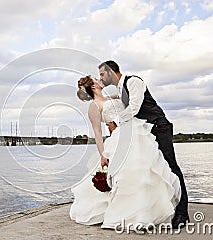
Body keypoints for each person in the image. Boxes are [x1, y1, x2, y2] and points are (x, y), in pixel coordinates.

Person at [70, 76, 181, 230]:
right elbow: (97, 132)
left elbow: (131, 102)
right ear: (93, 86)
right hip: (119, 138)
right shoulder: (94, 106)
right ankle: (127, 212)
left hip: (137, 132)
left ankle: (146, 211)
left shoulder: (112, 96)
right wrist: (103, 155)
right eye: (96, 79)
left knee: (144, 171)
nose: (99, 80)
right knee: (127, 175)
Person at [98, 60, 189, 228]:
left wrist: (116, 122)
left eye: (102, 74)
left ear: (111, 72)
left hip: (159, 126)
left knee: (170, 166)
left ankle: (183, 213)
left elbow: (135, 106)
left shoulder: (134, 81)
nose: (101, 78)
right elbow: (119, 97)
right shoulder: (120, 88)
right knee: (152, 169)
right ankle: (161, 207)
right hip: (146, 131)